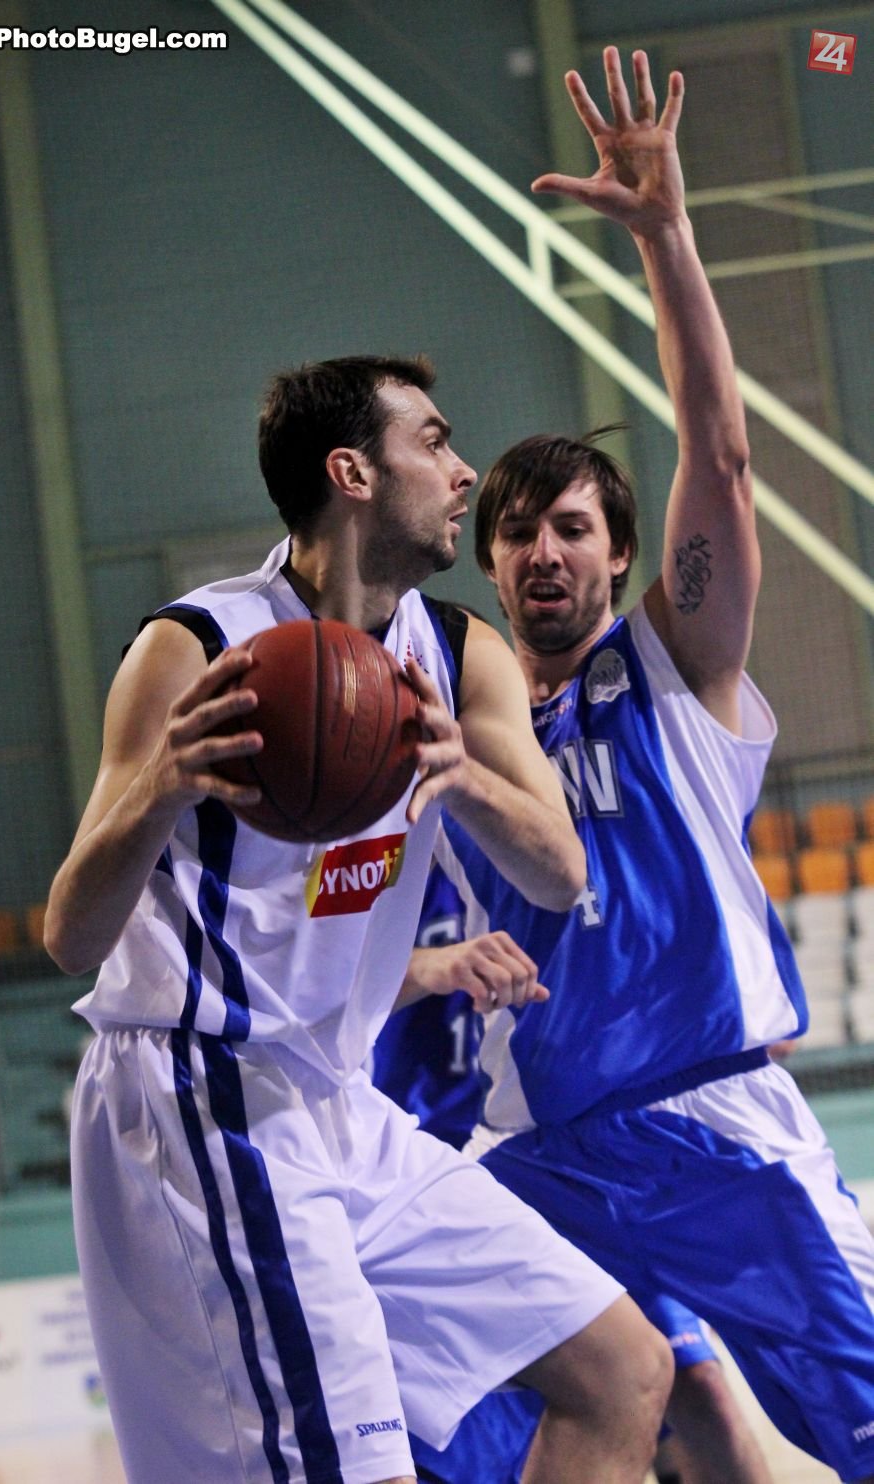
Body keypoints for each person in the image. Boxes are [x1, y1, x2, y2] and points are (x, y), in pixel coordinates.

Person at [44, 353, 674, 1484]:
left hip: (339, 1098)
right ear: (353, 473)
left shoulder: (460, 652)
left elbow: (560, 873)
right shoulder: (196, 647)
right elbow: (70, 936)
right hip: (202, 1087)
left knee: (622, 1370)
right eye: (433, 442)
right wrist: (162, 786)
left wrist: (462, 774)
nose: (464, 470)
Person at [433, 46, 874, 1484]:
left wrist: (667, 236)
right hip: (549, 1152)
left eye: (571, 527)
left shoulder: (672, 672)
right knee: (454, 1407)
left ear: (622, 556)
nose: (541, 549)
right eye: (516, 530)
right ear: (491, 564)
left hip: (713, 1128)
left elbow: (723, 460)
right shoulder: (456, 730)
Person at [374, 862, 772, 1484]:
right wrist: (430, 965)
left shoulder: (552, 848)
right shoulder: (378, 854)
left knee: (691, 1381)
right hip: (437, 1166)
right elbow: (316, 984)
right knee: (493, 1429)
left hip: (570, 1158)